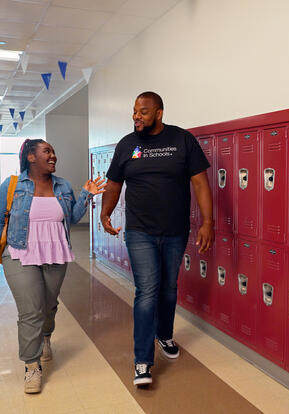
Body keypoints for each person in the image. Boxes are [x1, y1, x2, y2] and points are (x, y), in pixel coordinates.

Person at [101, 92, 214, 386]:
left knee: (168, 288)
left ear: (159, 113)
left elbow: (200, 182)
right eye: (134, 112)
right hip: (140, 231)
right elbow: (114, 183)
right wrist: (105, 214)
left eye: (143, 112)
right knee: (147, 290)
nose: (136, 117)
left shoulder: (182, 140)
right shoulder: (128, 144)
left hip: (176, 230)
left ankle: (164, 334)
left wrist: (208, 222)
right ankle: (142, 360)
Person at [0, 139, 105, 394]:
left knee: (48, 304)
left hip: (55, 252)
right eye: (47, 151)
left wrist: (86, 195)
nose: (53, 156)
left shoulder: (63, 186)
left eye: (53, 151)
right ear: (31, 157)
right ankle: (31, 366)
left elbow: (71, 217)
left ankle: (46, 336)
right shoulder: (13, 185)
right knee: (30, 310)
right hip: (19, 252)